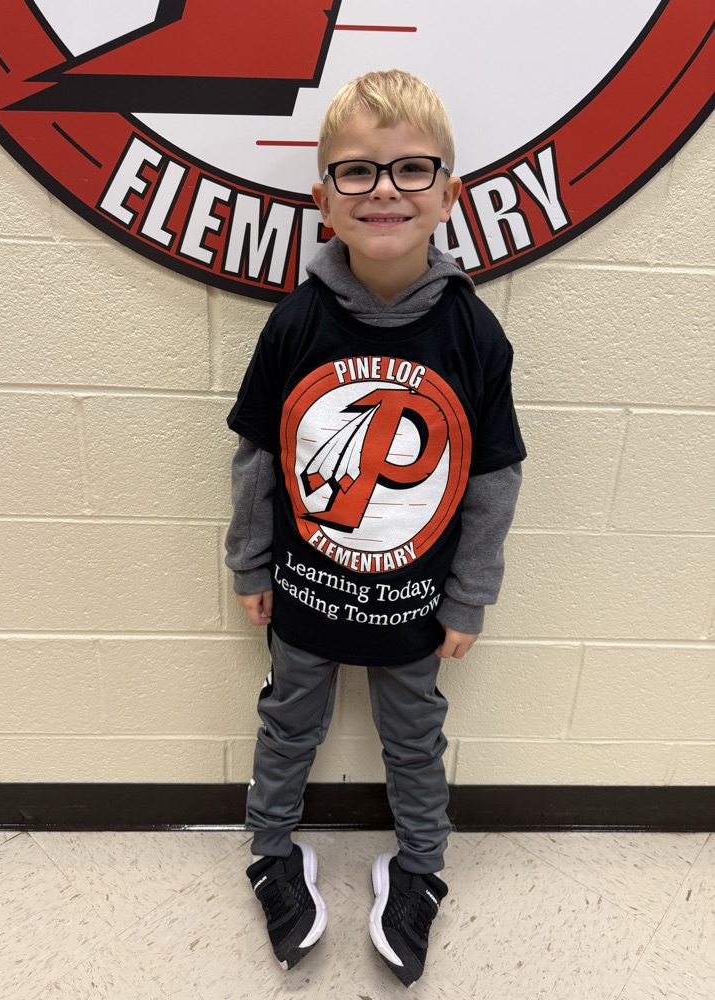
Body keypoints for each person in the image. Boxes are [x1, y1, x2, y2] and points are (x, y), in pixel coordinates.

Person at [225, 69, 526, 988]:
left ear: (448, 192)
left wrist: (470, 595)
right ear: (322, 200)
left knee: (415, 739)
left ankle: (421, 868)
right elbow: (259, 456)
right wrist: (250, 564)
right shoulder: (295, 324)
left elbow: (493, 477)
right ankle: (272, 852)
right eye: (356, 171)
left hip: (414, 606)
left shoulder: (475, 335)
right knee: (288, 724)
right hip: (306, 593)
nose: (385, 190)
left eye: (410, 169)